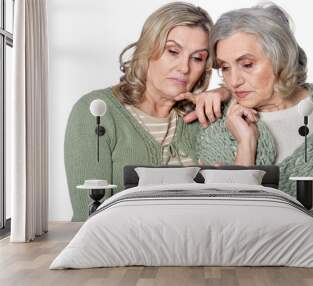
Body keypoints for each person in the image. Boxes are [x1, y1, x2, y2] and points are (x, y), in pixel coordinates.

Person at [197, 2, 313, 221]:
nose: (234, 81)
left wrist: (280, 229)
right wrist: (246, 145)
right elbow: (227, 217)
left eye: (247, 64)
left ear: (281, 58)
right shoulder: (217, 126)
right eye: (225, 68)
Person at [65, 2, 229, 221]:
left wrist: (225, 92)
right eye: (173, 51)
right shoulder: (96, 112)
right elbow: (87, 216)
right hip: (121, 251)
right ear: (148, 48)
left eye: (197, 58)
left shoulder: (203, 117)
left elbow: (231, 205)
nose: (184, 67)